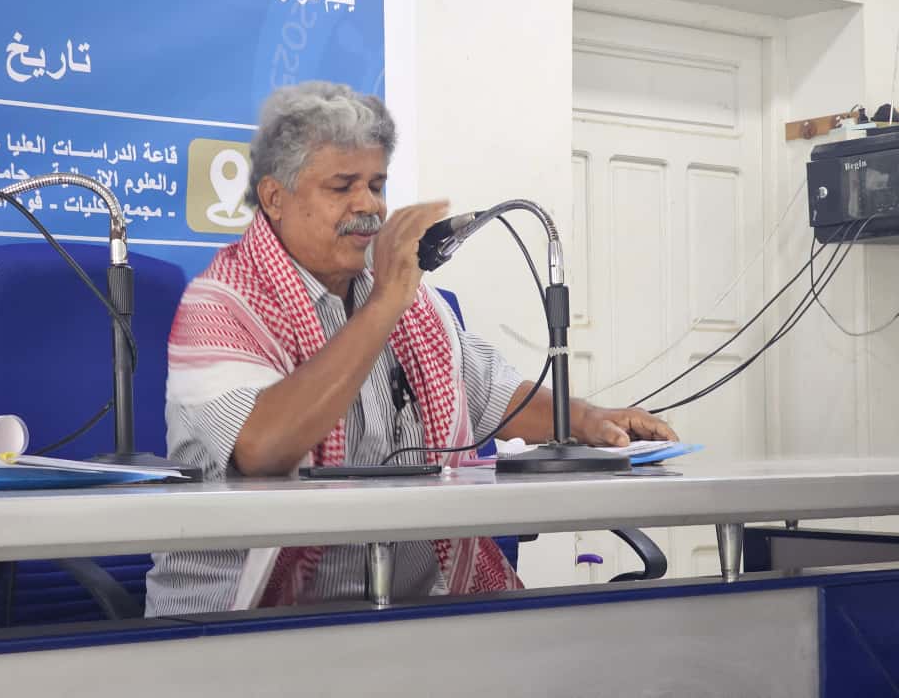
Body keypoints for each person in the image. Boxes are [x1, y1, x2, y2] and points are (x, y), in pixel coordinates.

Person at [144, 81, 677, 616]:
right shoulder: (220, 307)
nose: (369, 206)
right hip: (240, 626)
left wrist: (587, 420)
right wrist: (384, 304)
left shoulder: (412, 305)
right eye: (342, 186)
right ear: (274, 198)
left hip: (410, 613)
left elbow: (494, 396)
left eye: (376, 185)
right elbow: (262, 449)